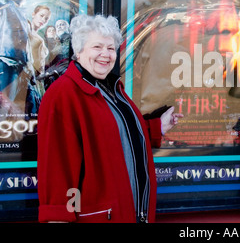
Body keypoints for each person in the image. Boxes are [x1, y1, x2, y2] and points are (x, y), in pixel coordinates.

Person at [37, 14, 183, 223]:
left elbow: (114, 137)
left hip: (134, 214)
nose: (105, 54)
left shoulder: (113, 89)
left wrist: (157, 127)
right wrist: (59, 217)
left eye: (110, 48)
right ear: (78, 51)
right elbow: (57, 168)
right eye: (97, 47)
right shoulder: (63, 94)